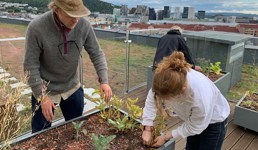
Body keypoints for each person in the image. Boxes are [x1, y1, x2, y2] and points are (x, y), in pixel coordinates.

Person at [23, 0, 112, 133]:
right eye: (71, 15)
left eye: (79, 14)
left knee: (77, 129)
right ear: (57, 9)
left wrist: (104, 81)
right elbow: (30, 66)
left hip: (71, 85)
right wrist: (42, 96)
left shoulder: (84, 25)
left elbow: (96, 53)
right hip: (45, 88)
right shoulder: (36, 27)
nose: (76, 20)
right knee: (40, 134)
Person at [142, 51, 230, 150]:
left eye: (167, 98)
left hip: (214, 121)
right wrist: (147, 129)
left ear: (181, 91)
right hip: (192, 118)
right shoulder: (165, 78)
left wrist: (165, 137)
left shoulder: (198, 95)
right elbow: (153, 98)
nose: (164, 101)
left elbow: (195, 126)